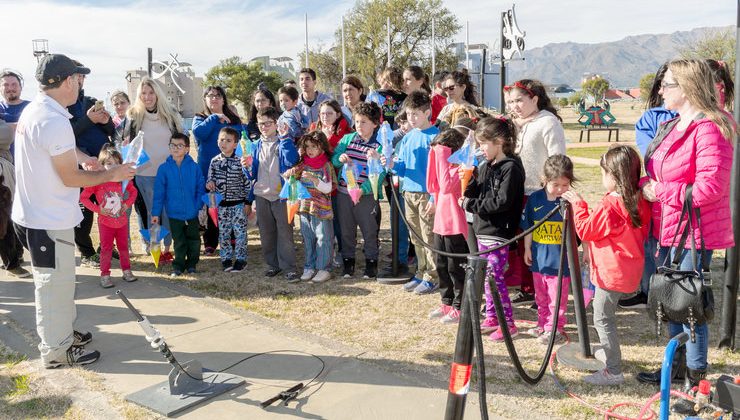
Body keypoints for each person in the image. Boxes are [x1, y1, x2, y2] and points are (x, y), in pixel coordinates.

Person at [12, 54, 135, 368]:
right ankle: (55, 350)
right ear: (67, 81)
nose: (81, 86)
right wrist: (111, 174)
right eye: (78, 79)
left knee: (62, 282)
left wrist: (82, 157)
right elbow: (69, 177)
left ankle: (62, 332)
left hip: (39, 214)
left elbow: (60, 155)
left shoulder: (39, 111)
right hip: (47, 219)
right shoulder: (53, 120)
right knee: (53, 286)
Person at [636, 59, 735, 414]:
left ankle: (697, 384)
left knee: (690, 308)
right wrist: (650, 185)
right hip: (670, 228)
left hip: (695, 233)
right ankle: (676, 369)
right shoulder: (677, 125)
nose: (661, 90)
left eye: (668, 84)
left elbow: (710, 187)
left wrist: (661, 191)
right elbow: (654, 167)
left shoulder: (711, 128)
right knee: (671, 302)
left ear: (689, 87)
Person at [562, 146, 650, 386]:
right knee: (606, 315)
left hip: (612, 273)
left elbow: (587, 230)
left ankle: (613, 371)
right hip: (629, 271)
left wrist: (579, 205)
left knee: (602, 318)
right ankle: (611, 359)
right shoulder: (639, 198)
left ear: (614, 176)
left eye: (603, 174)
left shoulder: (611, 204)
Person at [503, 78, 567, 306]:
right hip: (516, 192)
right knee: (523, 243)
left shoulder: (548, 122)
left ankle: (546, 289)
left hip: (540, 192)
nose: (514, 106)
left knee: (543, 244)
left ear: (535, 99)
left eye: (519, 100)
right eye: (510, 102)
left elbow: (557, 157)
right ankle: (528, 288)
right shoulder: (513, 123)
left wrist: (553, 190)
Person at [460, 116, 525, 341]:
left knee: (495, 278)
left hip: (499, 233)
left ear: (499, 141)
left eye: (484, 144)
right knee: (486, 276)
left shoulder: (511, 168)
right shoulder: (486, 166)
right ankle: (491, 316)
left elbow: (502, 201)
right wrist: (467, 178)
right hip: (482, 230)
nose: (481, 149)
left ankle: (508, 324)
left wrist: (471, 205)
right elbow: (473, 192)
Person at [117, 77, 183, 264]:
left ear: (157, 94)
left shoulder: (170, 114)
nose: (147, 97)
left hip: (169, 173)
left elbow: (181, 140)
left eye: (151, 92)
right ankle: (154, 248)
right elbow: (124, 143)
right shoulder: (133, 117)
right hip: (144, 175)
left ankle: (169, 249)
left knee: (170, 212)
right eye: (143, 93)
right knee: (152, 214)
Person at [383, 91, 440, 293]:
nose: (411, 119)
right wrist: (390, 164)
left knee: (428, 236)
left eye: (416, 114)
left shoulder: (436, 137)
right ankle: (420, 271)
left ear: (427, 112)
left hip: (427, 194)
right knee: (415, 236)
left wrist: (434, 197)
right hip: (408, 192)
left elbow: (439, 173)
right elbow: (401, 167)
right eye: (408, 115)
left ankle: (433, 276)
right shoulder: (407, 138)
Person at [521, 154, 575, 344]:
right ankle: (543, 324)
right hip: (539, 261)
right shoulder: (535, 199)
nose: (560, 190)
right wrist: (527, 248)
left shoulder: (571, 202)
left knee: (557, 300)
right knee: (541, 297)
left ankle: (555, 329)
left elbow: (581, 229)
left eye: (565, 185)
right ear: (545, 180)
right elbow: (528, 226)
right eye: (556, 185)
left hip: (560, 264)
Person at [67, 61, 116, 269]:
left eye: (82, 77)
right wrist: (88, 120)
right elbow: (66, 135)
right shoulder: (62, 106)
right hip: (81, 167)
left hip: (102, 165)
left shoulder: (91, 101)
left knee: (108, 207)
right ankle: (86, 252)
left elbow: (112, 131)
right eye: (76, 76)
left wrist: (105, 121)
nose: (80, 79)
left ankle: (106, 246)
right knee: (84, 212)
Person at [242, 107, 300, 281]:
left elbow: (292, 161)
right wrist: (246, 166)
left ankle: (289, 267)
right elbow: (251, 174)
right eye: (261, 124)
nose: (264, 127)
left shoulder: (283, 142)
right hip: (261, 195)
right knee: (266, 233)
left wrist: (285, 140)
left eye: (268, 123)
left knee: (285, 233)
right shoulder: (254, 145)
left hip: (281, 196)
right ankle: (272, 265)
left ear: (276, 124)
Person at [332, 102, 386, 279]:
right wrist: (340, 158)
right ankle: (348, 263)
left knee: (369, 230)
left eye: (363, 122)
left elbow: (380, 175)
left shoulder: (379, 145)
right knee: (346, 229)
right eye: (356, 122)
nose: (359, 126)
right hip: (344, 192)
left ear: (374, 124)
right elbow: (334, 160)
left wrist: (363, 189)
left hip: (366, 195)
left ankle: (371, 263)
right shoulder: (347, 139)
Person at [191, 86, 244, 256]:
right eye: (210, 96)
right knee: (212, 206)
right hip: (209, 170)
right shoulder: (200, 118)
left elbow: (239, 139)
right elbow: (200, 134)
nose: (214, 98)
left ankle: (233, 237)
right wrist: (214, 118)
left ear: (223, 99)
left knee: (232, 203)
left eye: (218, 96)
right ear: (205, 99)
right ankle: (211, 241)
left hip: (232, 170)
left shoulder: (233, 119)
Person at [80, 145, 138, 288]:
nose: (113, 167)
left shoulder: (123, 180)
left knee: (123, 247)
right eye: (109, 163)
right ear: (102, 165)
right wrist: (98, 209)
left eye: (117, 163)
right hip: (105, 223)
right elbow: (84, 198)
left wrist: (127, 204)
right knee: (106, 249)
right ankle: (105, 275)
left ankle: (127, 271)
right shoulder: (98, 181)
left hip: (122, 222)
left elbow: (134, 192)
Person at [426, 128, 469, 324]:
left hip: (456, 226)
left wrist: (442, 153)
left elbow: (444, 184)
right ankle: (447, 301)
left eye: (441, 152)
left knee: (456, 268)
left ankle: (460, 306)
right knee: (442, 265)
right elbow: (432, 185)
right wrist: (434, 154)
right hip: (441, 224)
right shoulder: (444, 167)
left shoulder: (459, 168)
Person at [286, 131, 338, 283]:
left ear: (321, 146)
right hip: (304, 207)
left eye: (314, 146)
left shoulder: (326, 165)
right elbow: (292, 176)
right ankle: (309, 266)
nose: (310, 150)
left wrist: (315, 180)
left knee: (323, 238)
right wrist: (288, 174)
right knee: (307, 237)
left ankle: (324, 268)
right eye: (307, 146)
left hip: (321, 208)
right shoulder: (302, 164)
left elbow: (328, 188)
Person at [152, 132, 205, 277]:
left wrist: (198, 206)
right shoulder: (164, 169)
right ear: (169, 148)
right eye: (173, 145)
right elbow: (159, 193)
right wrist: (155, 213)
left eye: (179, 145)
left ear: (187, 148)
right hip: (174, 214)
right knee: (179, 241)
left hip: (192, 213)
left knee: (194, 240)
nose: (176, 148)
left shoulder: (194, 167)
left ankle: (192, 264)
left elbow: (200, 188)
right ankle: (178, 266)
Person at [206, 127, 251, 273]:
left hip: (238, 204)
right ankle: (225, 259)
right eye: (221, 139)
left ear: (235, 144)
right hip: (221, 206)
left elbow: (247, 183)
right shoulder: (214, 161)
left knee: (240, 234)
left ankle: (241, 259)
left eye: (228, 140)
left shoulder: (240, 161)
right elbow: (210, 179)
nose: (224, 143)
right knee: (223, 233)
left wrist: (247, 202)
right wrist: (210, 184)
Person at [0, 127, 30, 278]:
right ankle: (12, 262)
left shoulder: (3, 123)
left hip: (4, 179)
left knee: (7, 222)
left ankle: (14, 259)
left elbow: (6, 135)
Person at [0, 70, 30, 159]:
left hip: (29, 164)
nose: (10, 88)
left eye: (14, 84)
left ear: (21, 87)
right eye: (6, 85)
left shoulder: (32, 108)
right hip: (5, 167)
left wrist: (6, 126)